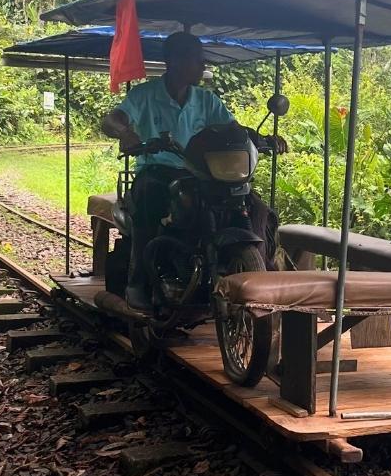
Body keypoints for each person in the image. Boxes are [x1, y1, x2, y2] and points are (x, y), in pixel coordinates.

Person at [101, 31, 285, 311]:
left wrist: (262, 140)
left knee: (253, 205)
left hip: (201, 174)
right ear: (174, 61)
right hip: (158, 171)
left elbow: (232, 130)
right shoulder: (144, 95)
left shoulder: (206, 101)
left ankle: (251, 266)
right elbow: (111, 120)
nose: (202, 66)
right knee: (150, 201)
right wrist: (125, 132)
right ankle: (137, 281)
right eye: (196, 60)